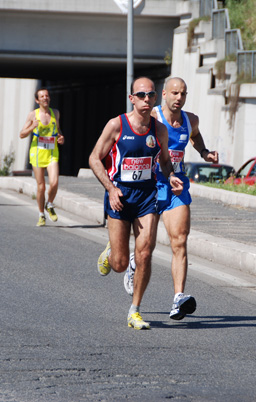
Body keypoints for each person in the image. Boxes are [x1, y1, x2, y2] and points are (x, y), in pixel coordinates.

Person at [89, 77, 183, 330]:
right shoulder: (116, 125)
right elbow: (94, 159)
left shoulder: (159, 129)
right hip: (119, 196)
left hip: (146, 197)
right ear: (132, 99)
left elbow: (164, 161)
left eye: (150, 95)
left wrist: (171, 175)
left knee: (144, 253)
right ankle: (111, 251)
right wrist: (110, 189)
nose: (146, 99)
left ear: (155, 98)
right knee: (120, 264)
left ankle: (135, 310)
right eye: (140, 95)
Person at [123, 77, 219, 321]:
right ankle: (135, 260)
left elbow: (195, 136)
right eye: (175, 93)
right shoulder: (150, 116)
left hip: (177, 185)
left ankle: (178, 298)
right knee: (148, 246)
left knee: (180, 240)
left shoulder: (190, 120)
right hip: (151, 185)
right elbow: (130, 138)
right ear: (163, 94)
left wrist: (205, 153)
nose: (179, 98)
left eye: (183, 94)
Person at [19, 88, 65, 226]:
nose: (45, 98)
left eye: (47, 95)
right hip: (37, 153)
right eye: (42, 96)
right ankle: (41, 214)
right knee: (41, 187)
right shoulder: (33, 115)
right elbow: (21, 134)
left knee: (55, 182)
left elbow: (58, 130)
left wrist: (61, 137)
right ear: (37, 100)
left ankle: (49, 204)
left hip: (52, 152)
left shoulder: (55, 113)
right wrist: (31, 127)